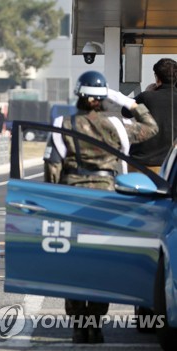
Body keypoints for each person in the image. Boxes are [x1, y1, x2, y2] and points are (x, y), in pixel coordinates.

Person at [43, 70, 159, 343]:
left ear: (79, 96)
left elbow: (52, 168)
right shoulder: (116, 126)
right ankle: (94, 325)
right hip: (106, 204)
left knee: (73, 266)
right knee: (100, 264)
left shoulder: (63, 123)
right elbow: (151, 127)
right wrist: (126, 101)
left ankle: (78, 326)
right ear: (103, 98)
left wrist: (50, 203)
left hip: (73, 203)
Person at [121, 58, 177, 173]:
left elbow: (125, 112)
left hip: (141, 163)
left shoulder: (146, 97)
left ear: (157, 78)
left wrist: (147, 92)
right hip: (171, 166)